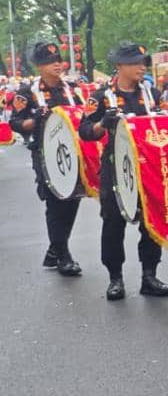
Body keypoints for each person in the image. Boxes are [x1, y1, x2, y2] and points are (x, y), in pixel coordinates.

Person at [78, 42, 168, 301]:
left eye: (143, 62)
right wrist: (102, 124)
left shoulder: (152, 92)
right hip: (115, 165)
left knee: (151, 219)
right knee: (113, 221)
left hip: (149, 164)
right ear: (119, 66)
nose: (141, 67)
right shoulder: (100, 96)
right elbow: (84, 131)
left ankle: (150, 275)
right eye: (135, 63)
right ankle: (115, 278)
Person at [9, 41, 84, 275]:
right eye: (50, 62)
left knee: (73, 197)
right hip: (44, 153)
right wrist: (35, 120)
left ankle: (55, 249)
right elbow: (16, 123)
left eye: (58, 61)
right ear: (39, 66)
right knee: (55, 200)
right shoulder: (27, 93)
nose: (56, 65)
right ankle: (63, 255)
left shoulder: (71, 89)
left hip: (72, 152)